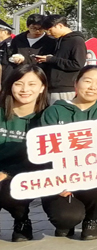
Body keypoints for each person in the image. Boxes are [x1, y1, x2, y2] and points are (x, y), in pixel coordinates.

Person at [40, 65, 97, 240]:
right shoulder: (54, 111)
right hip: (61, 178)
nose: (93, 87)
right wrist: (58, 180)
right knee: (65, 219)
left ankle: (92, 219)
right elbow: (45, 152)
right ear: (76, 83)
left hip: (93, 176)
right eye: (88, 81)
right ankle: (68, 219)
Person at [0, 64, 48, 242]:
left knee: (10, 189)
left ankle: (21, 220)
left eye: (32, 84)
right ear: (10, 85)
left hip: (27, 176)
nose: (25, 89)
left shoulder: (49, 116)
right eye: (19, 84)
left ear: (42, 87)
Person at [39, 15, 87, 104]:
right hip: (50, 87)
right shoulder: (58, 40)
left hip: (64, 89)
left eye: (50, 30)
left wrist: (51, 59)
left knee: (61, 112)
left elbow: (77, 64)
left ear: (60, 26)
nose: (48, 34)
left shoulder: (77, 41)